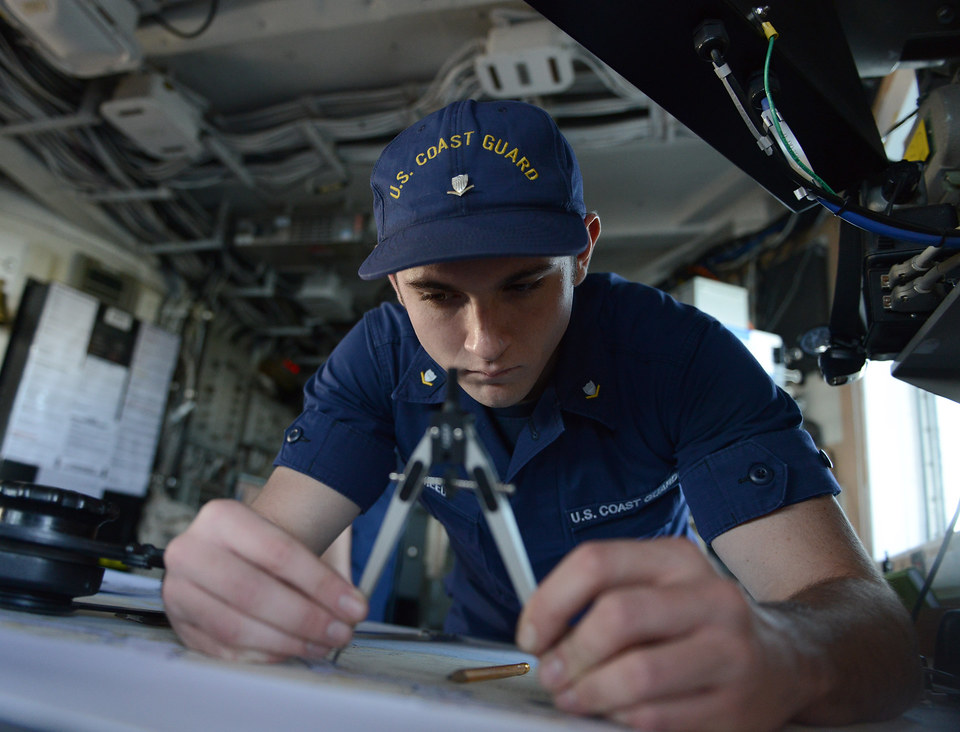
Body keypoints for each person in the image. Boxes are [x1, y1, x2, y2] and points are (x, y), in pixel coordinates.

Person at [162, 99, 921, 730]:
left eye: (524, 285)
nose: (484, 343)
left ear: (583, 253)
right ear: (395, 283)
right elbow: (266, 550)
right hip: (466, 663)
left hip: (655, 668)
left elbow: (877, 634)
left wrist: (786, 653)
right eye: (438, 296)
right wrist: (221, 591)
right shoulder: (378, 363)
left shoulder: (686, 361)